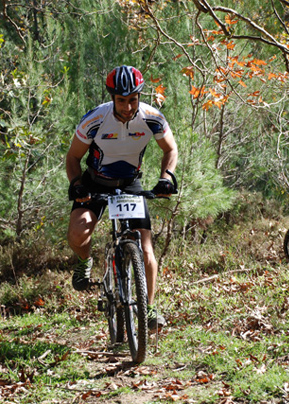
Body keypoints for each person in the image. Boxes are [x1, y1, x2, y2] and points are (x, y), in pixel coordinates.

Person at [66, 65, 178, 329]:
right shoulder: (95, 119)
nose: (127, 107)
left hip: (130, 185)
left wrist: (167, 177)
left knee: (147, 250)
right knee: (77, 235)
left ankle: (148, 309)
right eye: (121, 100)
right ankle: (84, 261)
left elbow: (170, 148)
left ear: (139, 96)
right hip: (95, 183)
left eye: (132, 100)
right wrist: (76, 184)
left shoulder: (152, 117)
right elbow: (73, 157)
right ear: (112, 97)